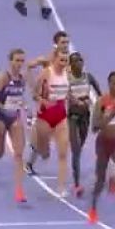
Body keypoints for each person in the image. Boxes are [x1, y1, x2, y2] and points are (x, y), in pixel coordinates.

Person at [88, 72, 115, 224]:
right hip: (103, 143)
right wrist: (109, 117)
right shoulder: (102, 101)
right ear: (109, 84)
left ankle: (113, 181)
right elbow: (94, 127)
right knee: (99, 179)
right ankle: (93, 208)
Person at [28, 49, 71, 195]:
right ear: (54, 60)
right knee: (44, 153)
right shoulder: (47, 73)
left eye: (66, 61)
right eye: (61, 60)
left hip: (61, 116)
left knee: (63, 152)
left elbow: (69, 93)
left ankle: (61, 187)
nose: (63, 63)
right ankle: (36, 144)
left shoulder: (67, 74)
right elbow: (34, 94)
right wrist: (42, 101)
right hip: (45, 116)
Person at [0, 48, 29, 203]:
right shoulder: (3, 78)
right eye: (17, 60)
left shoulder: (23, 78)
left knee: (19, 154)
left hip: (14, 118)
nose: (19, 64)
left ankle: (19, 190)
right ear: (10, 61)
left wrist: (26, 108)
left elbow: (19, 97)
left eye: (22, 61)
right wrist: (2, 106)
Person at [66, 51, 101, 197]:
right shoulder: (67, 79)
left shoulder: (89, 77)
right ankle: (77, 184)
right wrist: (77, 101)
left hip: (85, 116)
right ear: (70, 64)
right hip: (72, 117)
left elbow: (100, 94)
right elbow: (65, 94)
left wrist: (101, 110)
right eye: (75, 61)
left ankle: (76, 174)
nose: (79, 63)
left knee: (79, 148)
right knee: (76, 150)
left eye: (80, 60)